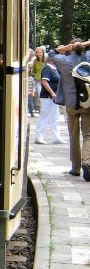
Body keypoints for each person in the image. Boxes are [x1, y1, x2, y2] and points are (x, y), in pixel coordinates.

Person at [48, 38, 90, 180]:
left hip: (71, 104)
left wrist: (66, 47)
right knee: (88, 135)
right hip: (87, 103)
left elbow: (50, 54)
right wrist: (85, 44)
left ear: (71, 48)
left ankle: (76, 167)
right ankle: (87, 162)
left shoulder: (64, 61)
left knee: (74, 135)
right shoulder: (88, 58)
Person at [34, 58, 62, 144]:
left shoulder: (56, 69)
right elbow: (44, 82)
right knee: (45, 116)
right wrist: (52, 93)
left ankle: (56, 137)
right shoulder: (47, 68)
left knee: (55, 117)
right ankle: (38, 136)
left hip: (54, 97)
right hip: (48, 96)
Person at [32, 46, 46, 113]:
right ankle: (41, 108)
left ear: (43, 53)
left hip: (45, 79)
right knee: (39, 92)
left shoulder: (46, 60)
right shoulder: (35, 61)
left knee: (44, 93)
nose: (39, 53)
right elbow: (33, 70)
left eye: (40, 52)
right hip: (37, 79)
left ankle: (44, 107)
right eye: (38, 52)